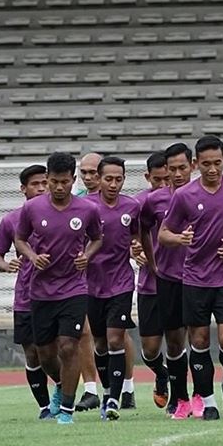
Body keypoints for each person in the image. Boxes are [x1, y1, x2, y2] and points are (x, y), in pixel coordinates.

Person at [159, 135, 223, 420]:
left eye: (217, 163)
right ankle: (209, 401)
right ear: (196, 164)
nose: (212, 169)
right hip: (194, 278)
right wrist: (179, 238)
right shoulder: (184, 196)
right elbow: (163, 234)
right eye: (206, 164)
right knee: (200, 341)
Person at [15, 152, 103, 424]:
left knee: (68, 347)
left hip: (74, 289)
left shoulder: (87, 209)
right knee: (45, 354)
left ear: (73, 180)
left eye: (65, 182)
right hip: (40, 291)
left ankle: (66, 410)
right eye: (54, 181)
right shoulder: (33, 209)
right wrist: (32, 256)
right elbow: (19, 239)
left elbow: (97, 239)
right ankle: (60, 385)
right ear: (48, 180)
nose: (59, 187)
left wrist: (86, 255)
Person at [140, 143, 200, 419]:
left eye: (181, 168)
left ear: (192, 166)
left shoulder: (204, 195)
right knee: (169, 344)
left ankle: (198, 397)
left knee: (197, 338)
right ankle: (177, 393)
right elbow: (142, 231)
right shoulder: (154, 201)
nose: (176, 174)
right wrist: (153, 264)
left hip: (199, 278)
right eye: (171, 169)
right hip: (166, 279)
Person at [0, 164, 53, 419]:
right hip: (26, 297)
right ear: (23, 189)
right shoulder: (11, 220)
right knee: (32, 352)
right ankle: (45, 406)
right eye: (34, 184)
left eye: (44, 183)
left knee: (57, 349)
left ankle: (63, 393)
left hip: (60, 294)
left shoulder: (66, 213)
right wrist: (5, 265)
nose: (40, 188)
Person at [85, 156, 141, 420]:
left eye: (119, 179)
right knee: (99, 343)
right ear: (98, 178)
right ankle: (107, 390)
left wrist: (143, 254)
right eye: (109, 178)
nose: (114, 184)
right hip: (90, 285)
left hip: (121, 283)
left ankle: (114, 400)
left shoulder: (132, 207)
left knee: (115, 338)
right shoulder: (85, 207)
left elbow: (139, 237)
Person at [134, 152, 171, 411]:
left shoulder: (185, 197)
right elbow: (126, 235)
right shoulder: (140, 203)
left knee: (182, 342)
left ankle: (181, 396)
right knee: (149, 350)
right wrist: (133, 249)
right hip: (149, 283)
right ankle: (162, 372)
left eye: (166, 178)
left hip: (180, 282)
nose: (162, 184)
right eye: (156, 179)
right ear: (148, 177)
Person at [72, 152, 102, 411]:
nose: (89, 177)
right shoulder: (75, 202)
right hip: (80, 279)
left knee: (113, 338)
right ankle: (90, 389)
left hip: (112, 280)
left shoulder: (119, 202)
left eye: (94, 172)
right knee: (84, 333)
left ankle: (126, 387)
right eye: (85, 173)